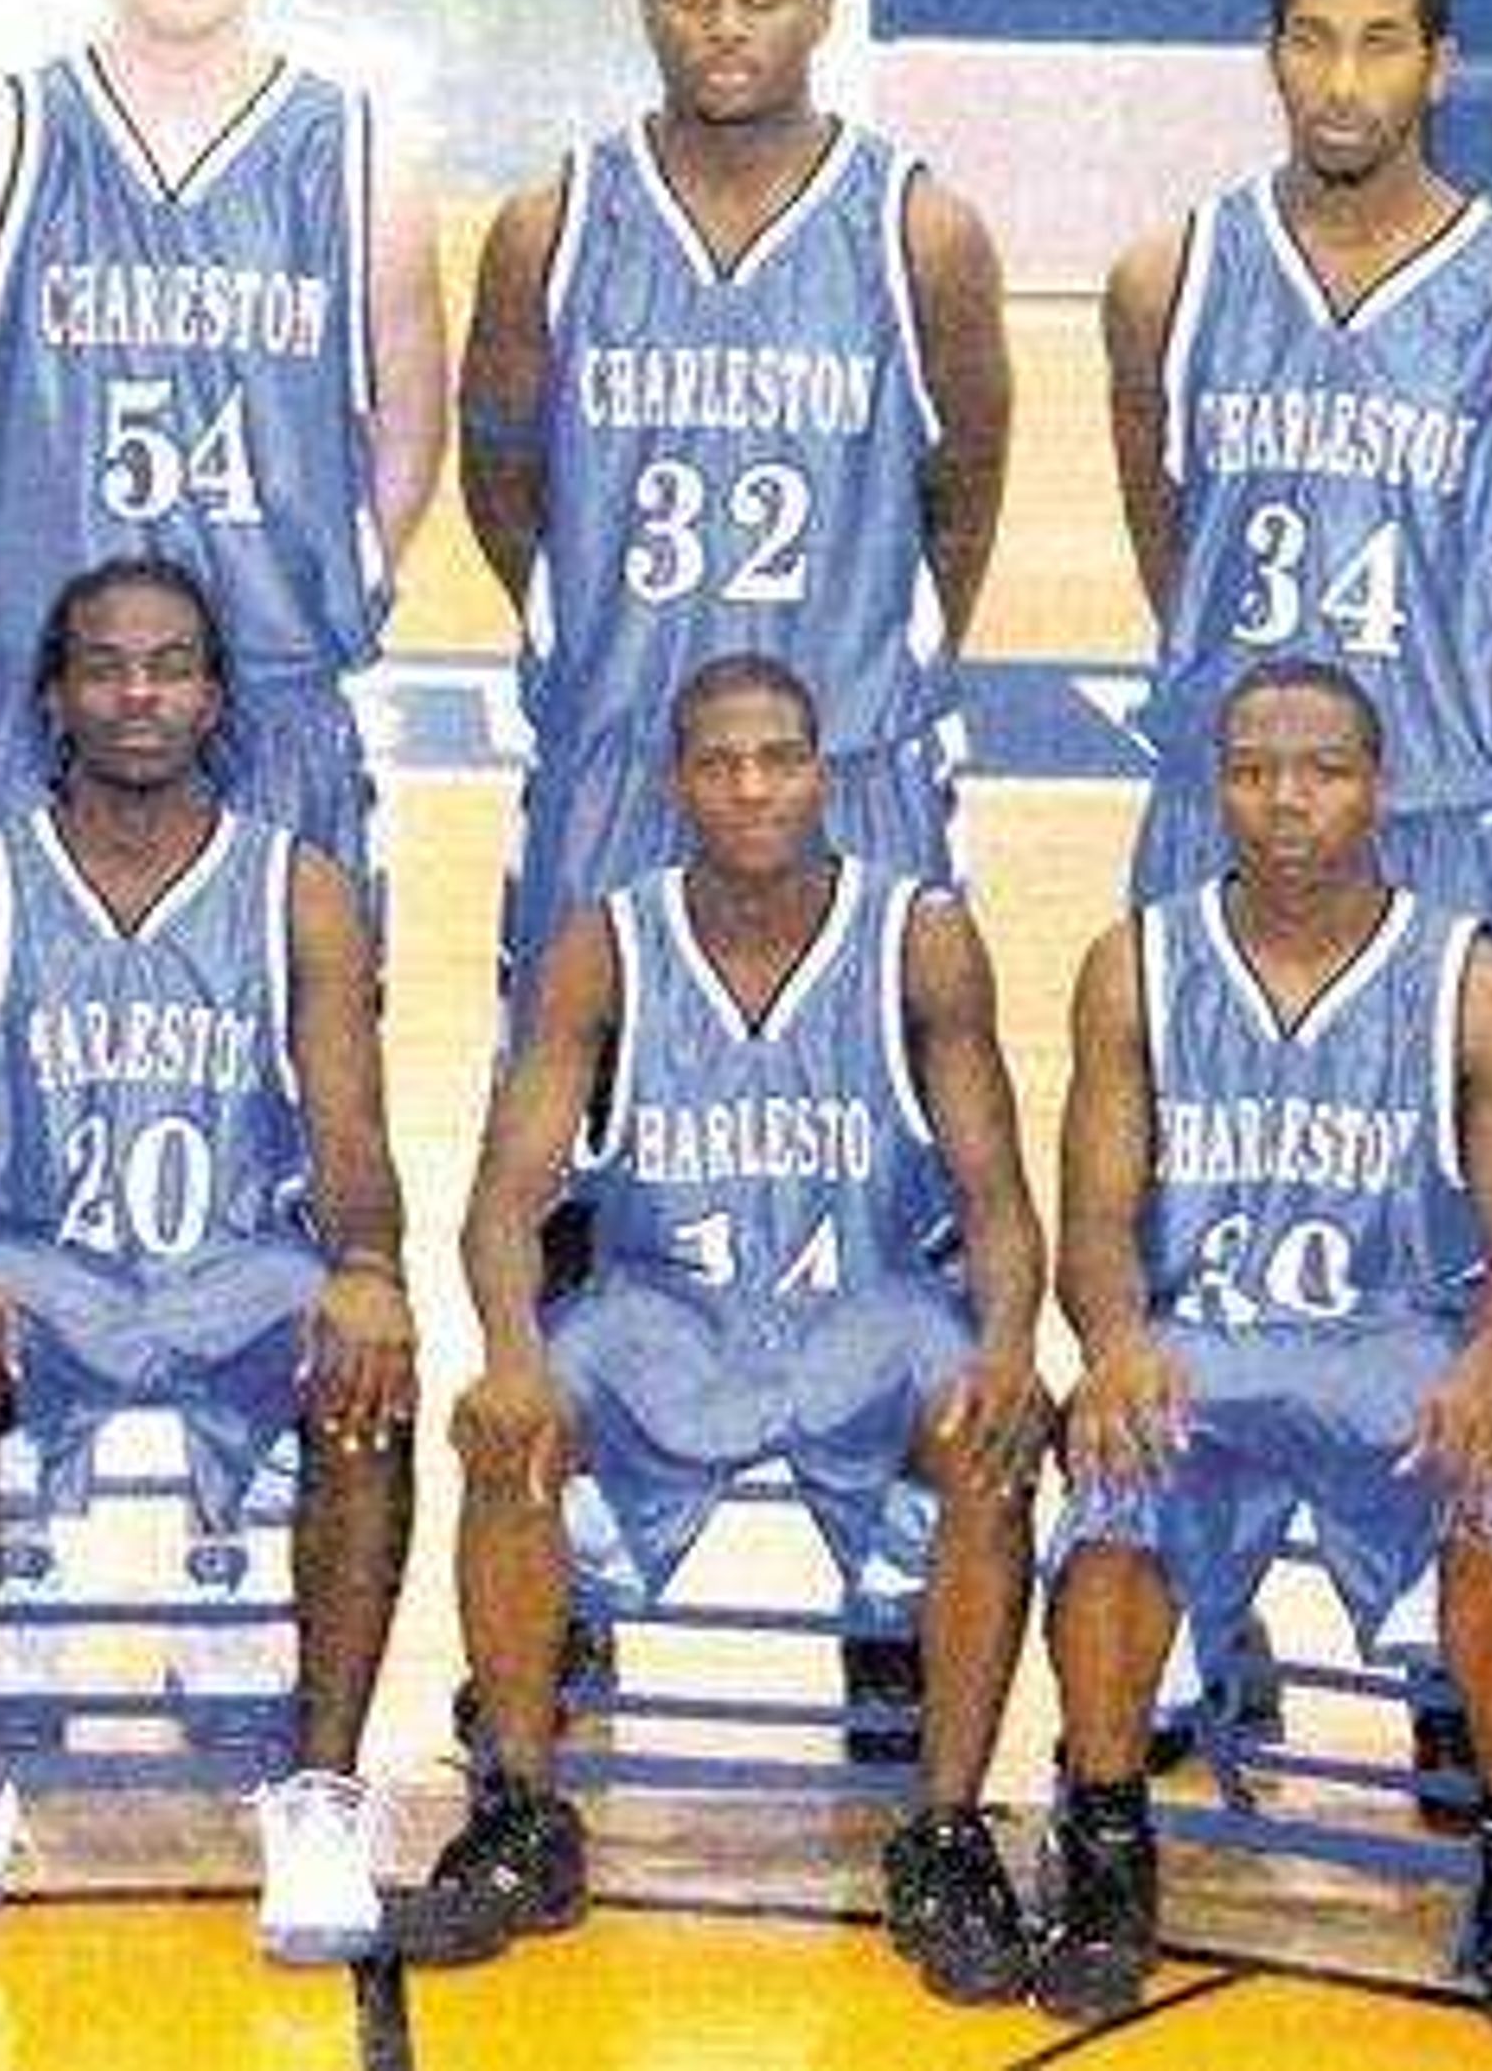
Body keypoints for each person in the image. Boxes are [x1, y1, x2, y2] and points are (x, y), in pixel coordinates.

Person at [391, 653, 1052, 2004]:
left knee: (987, 1436)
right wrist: (510, 1355)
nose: (751, 786)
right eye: (719, 761)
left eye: (779, 758)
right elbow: (501, 1206)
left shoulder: (918, 933)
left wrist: (1009, 1346)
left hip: (868, 1312)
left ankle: (942, 1831)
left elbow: (997, 1196)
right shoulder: (602, 943)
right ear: (676, 781)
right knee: (508, 1429)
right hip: (662, 1317)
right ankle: (520, 1808)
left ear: (824, 772)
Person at [0, 557, 416, 1966]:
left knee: (370, 1367)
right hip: (43, 1268)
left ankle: (323, 1788)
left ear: (216, 693)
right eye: (104, 664)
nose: (139, 691)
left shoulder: (303, 890)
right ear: (55, 696)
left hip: (238, 1266)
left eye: (170, 664)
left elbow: (350, 1140)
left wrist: (371, 1265)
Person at [1034, 659, 1492, 2033]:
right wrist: (1110, 1338)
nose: (1287, 799)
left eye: (1323, 769)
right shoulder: (1136, 964)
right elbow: (1095, 1224)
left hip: (1398, 1359)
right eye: (1255, 770)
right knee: (1108, 1490)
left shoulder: (1480, 983)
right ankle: (1106, 1852)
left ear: (1379, 784)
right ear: (1214, 783)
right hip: (1198, 1356)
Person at [0, 0, 447, 880]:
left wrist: (335, 591)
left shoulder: (359, 158)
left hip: (268, 688)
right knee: (9, 1038)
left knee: (287, 1035)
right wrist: (7, 613)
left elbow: (410, 431)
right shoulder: (4, 147)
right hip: (45, 698)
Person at [463, 0, 1009, 996]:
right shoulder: (550, 228)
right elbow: (500, 477)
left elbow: (962, 485)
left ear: (822, 11)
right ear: (647, 4)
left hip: (848, 757)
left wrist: (884, 651)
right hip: (619, 749)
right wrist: (594, 626)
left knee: (864, 1122)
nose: (725, 26)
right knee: (583, 1123)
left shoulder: (921, 232)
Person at [1101, 0, 1492, 949]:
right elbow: (1170, 544)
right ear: (1271, 57)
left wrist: (1453, 714)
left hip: (1438, 811)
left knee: (1455, 1105)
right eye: (1311, 39)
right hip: (1219, 807)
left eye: (1380, 44)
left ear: (1439, 67)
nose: (1341, 82)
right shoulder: (1169, 280)